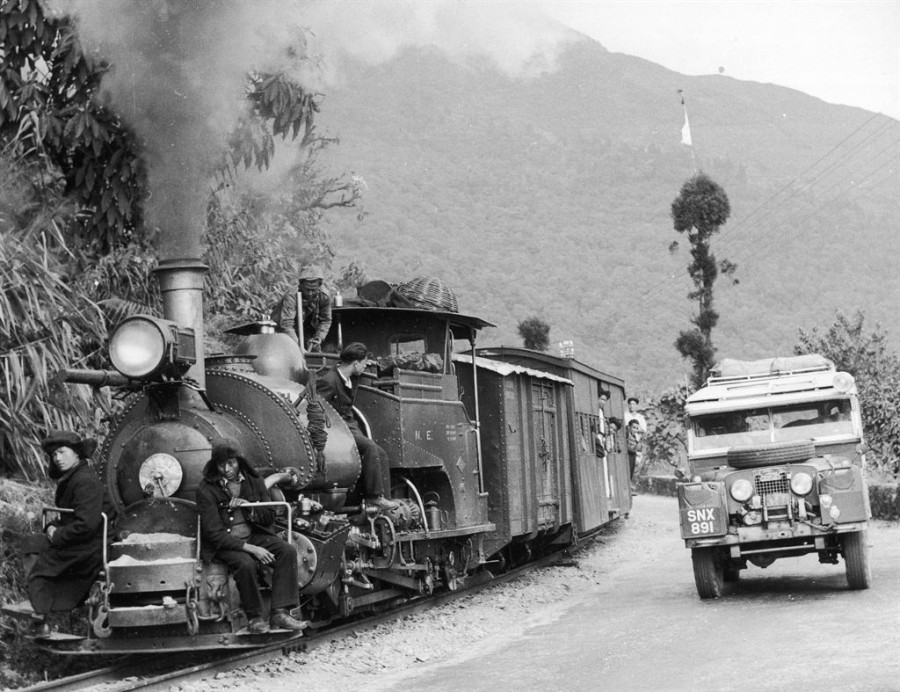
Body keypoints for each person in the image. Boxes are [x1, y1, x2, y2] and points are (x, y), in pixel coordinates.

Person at [196, 443, 309, 634]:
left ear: (239, 461)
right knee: (245, 563)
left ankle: (279, 613)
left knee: (287, 551)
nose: (227, 469)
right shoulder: (206, 489)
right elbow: (213, 534)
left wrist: (250, 507)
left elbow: (268, 516)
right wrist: (252, 549)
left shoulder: (253, 481)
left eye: (231, 463)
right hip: (224, 544)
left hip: (252, 535)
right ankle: (254, 619)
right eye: (221, 465)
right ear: (214, 465)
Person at [25, 430, 116, 637]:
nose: (57, 458)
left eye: (62, 452)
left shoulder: (85, 481)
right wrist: (52, 527)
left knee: (43, 569)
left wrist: (56, 535)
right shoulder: (74, 478)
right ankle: (41, 612)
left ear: (76, 453)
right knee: (31, 545)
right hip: (85, 538)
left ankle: (42, 618)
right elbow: (72, 516)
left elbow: (85, 525)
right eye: (54, 455)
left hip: (92, 543)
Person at [316, 342, 399, 511]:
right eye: (363, 363)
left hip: (349, 426)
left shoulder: (347, 377)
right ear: (355, 363)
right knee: (369, 447)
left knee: (380, 454)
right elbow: (316, 408)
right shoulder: (329, 381)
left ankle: (383, 501)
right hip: (338, 429)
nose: (364, 366)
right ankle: (373, 498)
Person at [272, 264, 332, 351]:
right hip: (279, 329)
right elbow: (287, 324)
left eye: (314, 290)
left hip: (303, 328)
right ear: (300, 285)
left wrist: (318, 337)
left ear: (319, 286)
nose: (310, 293)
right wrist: (299, 347)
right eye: (307, 289)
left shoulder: (324, 296)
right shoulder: (292, 296)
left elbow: (326, 320)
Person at [626, 419, 644, 487]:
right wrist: (636, 452)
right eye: (633, 427)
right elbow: (626, 447)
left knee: (631, 473)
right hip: (627, 457)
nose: (635, 430)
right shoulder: (626, 435)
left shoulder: (634, 436)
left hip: (632, 457)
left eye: (637, 428)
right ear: (629, 427)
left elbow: (638, 448)